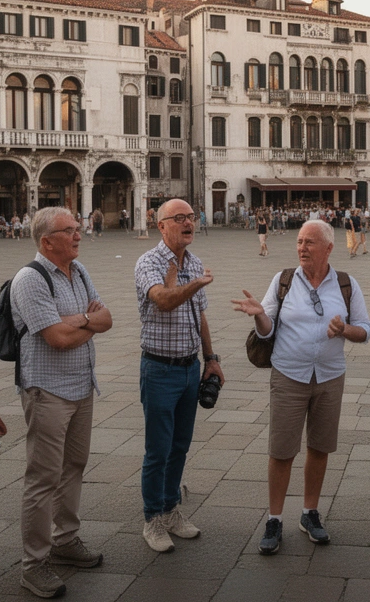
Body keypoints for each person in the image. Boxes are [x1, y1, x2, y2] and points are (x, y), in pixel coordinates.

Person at [231, 220, 370, 554]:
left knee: (320, 447)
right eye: (299, 241)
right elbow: (267, 331)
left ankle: (310, 513)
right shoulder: (282, 281)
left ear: (328, 248)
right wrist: (258, 316)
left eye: (309, 242)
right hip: (289, 374)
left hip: (329, 376)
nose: (302, 248)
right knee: (281, 450)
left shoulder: (346, 284)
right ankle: (274, 518)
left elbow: (366, 329)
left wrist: (344, 331)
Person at [12, 207, 112, 597]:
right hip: (47, 389)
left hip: (81, 386)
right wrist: (83, 321)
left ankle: (66, 539)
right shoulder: (30, 279)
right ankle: (34, 563)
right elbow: (54, 339)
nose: (78, 234)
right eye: (69, 230)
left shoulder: (80, 271)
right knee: (42, 477)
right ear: (45, 241)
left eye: (78, 227)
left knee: (74, 466)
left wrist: (76, 321)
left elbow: (106, 319)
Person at [133, 199, 224, 552]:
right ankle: (152, 518)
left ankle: (171, 509)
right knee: (158, 449)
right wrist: (194, 285)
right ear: (162, 225)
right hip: (158, 368)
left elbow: (199, 316)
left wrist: (211, 359)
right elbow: (164, 300)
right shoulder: (149, 262)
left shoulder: (194, 262)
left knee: (180, 446)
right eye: (180, 218)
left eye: (191, 217)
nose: (189, 223)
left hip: (189, 369)